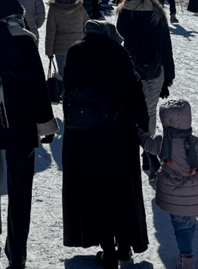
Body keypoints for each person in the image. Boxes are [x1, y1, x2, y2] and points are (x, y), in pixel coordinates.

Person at [0, 0, 55, 269]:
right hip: (19, 123)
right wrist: (45, 124)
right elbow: (36, 87)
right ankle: (16, 251)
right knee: (20, 190)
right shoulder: (24, 39)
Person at [62, 20, 149, 269]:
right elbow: (135, 91)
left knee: (95, 191)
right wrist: (143, 125)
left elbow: (68, 92)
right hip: (119, 134)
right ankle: (124, 246)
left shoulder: (75, 51)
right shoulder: (118, 52)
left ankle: (107, 251)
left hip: (86, 134)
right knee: (121, 190)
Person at [138, 99, 198, 269]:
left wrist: (139, 133)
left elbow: (147, 143)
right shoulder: (195, 143)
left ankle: (186, 256)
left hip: (172, 193)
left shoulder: (163, 142)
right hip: (193, 192)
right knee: (187, 223)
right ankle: (187, 256)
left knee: (181, 225)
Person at [116, 0, 175, 178]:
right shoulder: (157, 12)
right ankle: (148, 152)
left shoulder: (124, 13)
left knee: (132, 110)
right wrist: (169, 77)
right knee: (149, 110)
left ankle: (132, 146)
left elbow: (120, 38)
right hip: (155, 69)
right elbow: (166, 46)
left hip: (132, 69)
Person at [44, 0, 87, 79]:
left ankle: (64, 93)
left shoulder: (54, 8)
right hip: (78, 44)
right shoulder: (79, 6)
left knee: (63, 76)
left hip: (61, 47)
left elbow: (50, 31)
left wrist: (49, 52)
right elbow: (87, 23)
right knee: (78, 75)